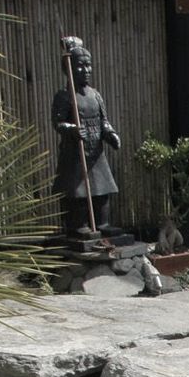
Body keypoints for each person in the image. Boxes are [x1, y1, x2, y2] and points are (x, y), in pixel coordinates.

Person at [53, 36, 121, 236]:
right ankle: (78, 226)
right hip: (75, 154)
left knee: (101, 189)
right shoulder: (64, 96)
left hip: (96, 154)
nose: (86, 70)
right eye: (80, 66)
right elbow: (58, 123)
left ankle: (102, 224)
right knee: (77, 192)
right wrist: (72, 129)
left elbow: (103, 121)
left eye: (88, 65)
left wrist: (110, 134)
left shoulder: (95, 95)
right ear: (69, 69)